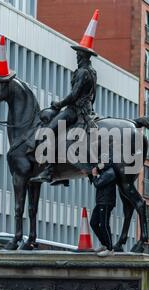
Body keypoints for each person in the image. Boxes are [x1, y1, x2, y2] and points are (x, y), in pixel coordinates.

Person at [31, 11, 99, 184]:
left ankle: (50, 170)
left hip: (75, 111)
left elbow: (74, 94)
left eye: (78, 54)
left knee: (49, 131)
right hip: (87, 110)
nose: (76, 56)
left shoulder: (83, 72)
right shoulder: (92, 72)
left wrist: (59, 104)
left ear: (84, 55)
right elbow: (93, 95)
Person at [90, 164, 117, 257]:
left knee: (104, 225)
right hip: (101, 202)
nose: (98, 166)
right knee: (93, 223)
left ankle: (110, 249)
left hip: (106, 202)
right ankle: (105, 244)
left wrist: (94, 175)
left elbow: (97, 184)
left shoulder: (110, 173)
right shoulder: (105, 172)